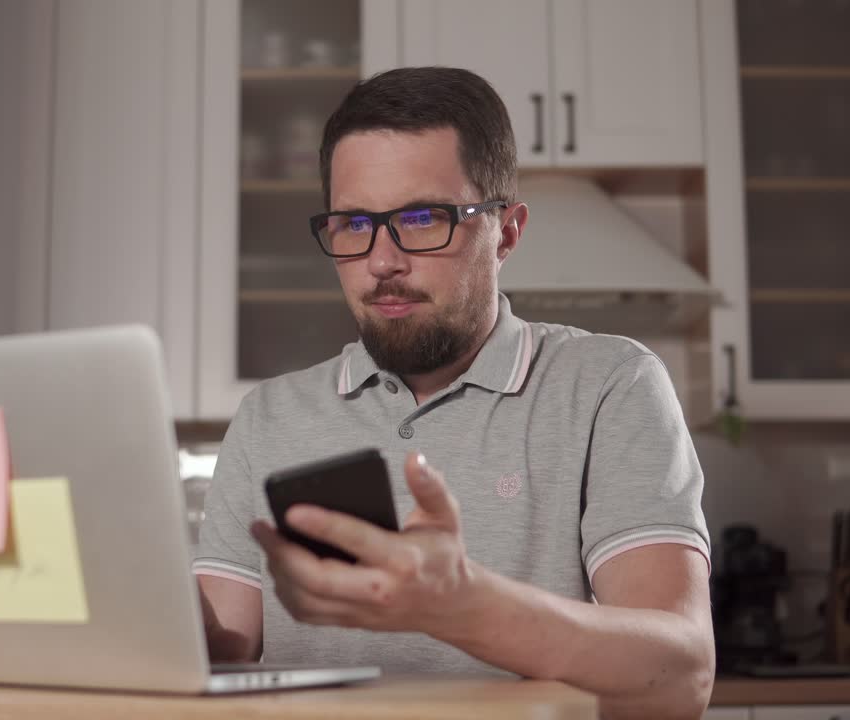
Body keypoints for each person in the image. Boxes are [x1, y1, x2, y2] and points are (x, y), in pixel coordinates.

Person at [191, 67, 714, 719]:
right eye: (353, 224)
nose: (382, 261)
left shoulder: (610, 385)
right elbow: (222, 651)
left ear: (508, 231)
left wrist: (466, 607)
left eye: (420, 218)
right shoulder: (269, 415)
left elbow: (681, 675)